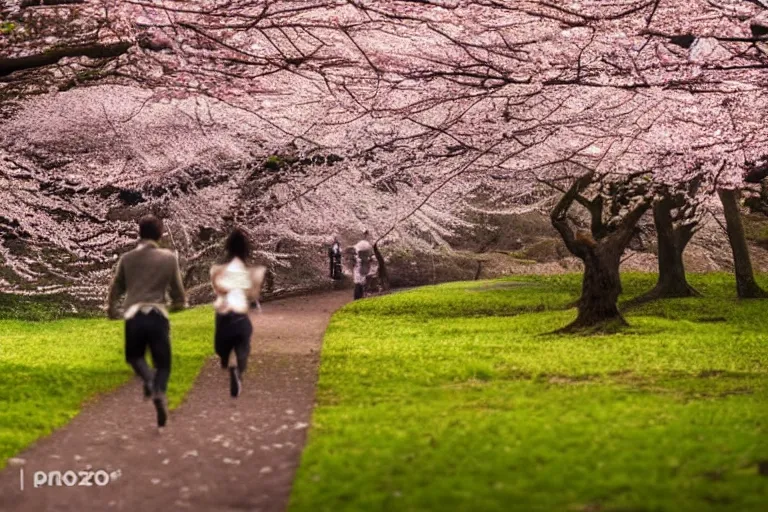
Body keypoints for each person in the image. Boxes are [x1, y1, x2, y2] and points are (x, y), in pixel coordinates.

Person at [107, 215, 186, 428]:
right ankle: (158, 390)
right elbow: (179, 295)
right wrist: (175, 305)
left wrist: (112, 309)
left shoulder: (127, 258)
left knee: (134, 357)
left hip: (133, 315)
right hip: (158, 315)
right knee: (164, 364)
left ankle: (149, 381)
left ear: (139, 233)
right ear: (160, 235)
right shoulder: (169, 258)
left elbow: (116, 288)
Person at [210, 228, 266, 398]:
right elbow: (253, 295)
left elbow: (217, 290)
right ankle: (238, 370)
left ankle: (225, 358)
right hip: (241, 317)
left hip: (223, 317)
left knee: (221, 347)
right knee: (243, 347)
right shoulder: (253, 273)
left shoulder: (217, 270)